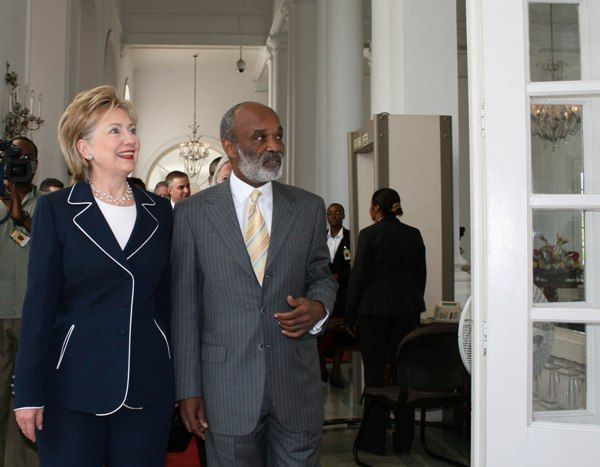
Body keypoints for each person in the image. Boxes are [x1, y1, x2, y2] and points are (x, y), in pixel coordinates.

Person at [13, 85, 174, 466]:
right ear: (84, 148)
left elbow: (166, 301)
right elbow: (38, 305)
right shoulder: (57, 210)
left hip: (146, 386)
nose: (130, 139)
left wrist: (175, 377)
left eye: (132, 129)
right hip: (71, 387)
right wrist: (28, 393)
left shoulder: (161, 211)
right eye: (115, 130)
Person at [171, 101, 337, 466]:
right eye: (260, 137)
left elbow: (321, 274)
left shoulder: (308, 207)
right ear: (229, 146)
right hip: (225, 389)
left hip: (295, 385)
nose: (274, 145)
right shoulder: (193, 214)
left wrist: (319, 307)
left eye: (278, 136)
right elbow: (184, 308)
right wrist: (188, 390)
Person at [346, 188, 426, 455]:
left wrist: (350, 314)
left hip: (374, 314)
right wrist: (413, 304)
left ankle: (374, 439)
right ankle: (404, 440)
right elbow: (420, 275)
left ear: (376, 208)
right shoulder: (413, 234)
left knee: (376, 376)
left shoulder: (369, 235)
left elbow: (359, 277)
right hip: (406, 312)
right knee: (404, 375)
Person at [0, 136, 41, 467]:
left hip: (30, 316)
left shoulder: (47, 205)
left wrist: (20, 216)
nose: (18, 164)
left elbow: (50, 243)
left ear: (36, 164)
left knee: (24, 399)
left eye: (24, 158)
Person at [318, 203, 354, 388]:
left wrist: (340, 276)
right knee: (322, 332)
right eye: (330, 213)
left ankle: (337, 372)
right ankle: (322, 368)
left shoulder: (350, 238)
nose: (333, 216)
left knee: (339, 333)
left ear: (344, 215)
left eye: (337, 212)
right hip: (323, 292)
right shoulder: (319, 237)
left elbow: (353, 266)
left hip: (343, 294)